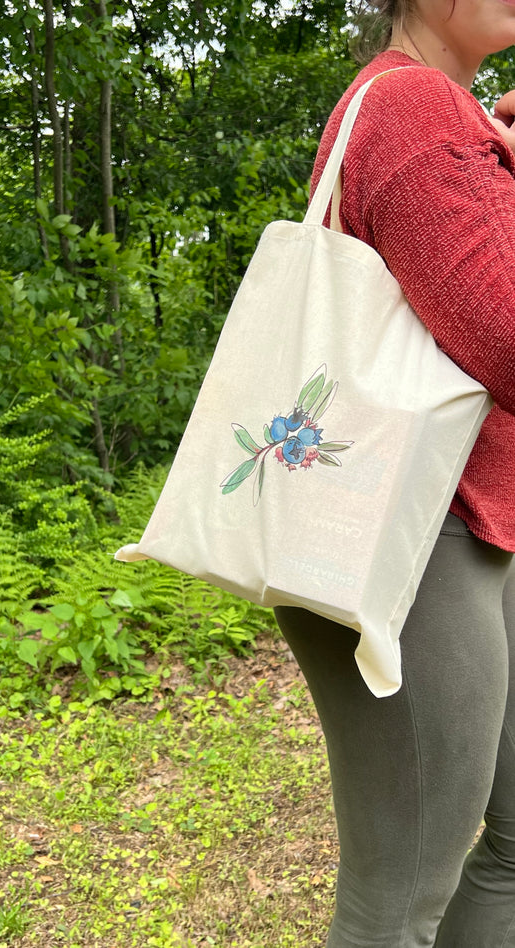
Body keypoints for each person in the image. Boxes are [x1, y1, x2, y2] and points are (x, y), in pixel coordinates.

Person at [274, 2, 515, 946]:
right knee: (396, 897)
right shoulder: (413, 107)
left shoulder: (449, 113)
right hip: (411, 529)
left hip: (474, 519)